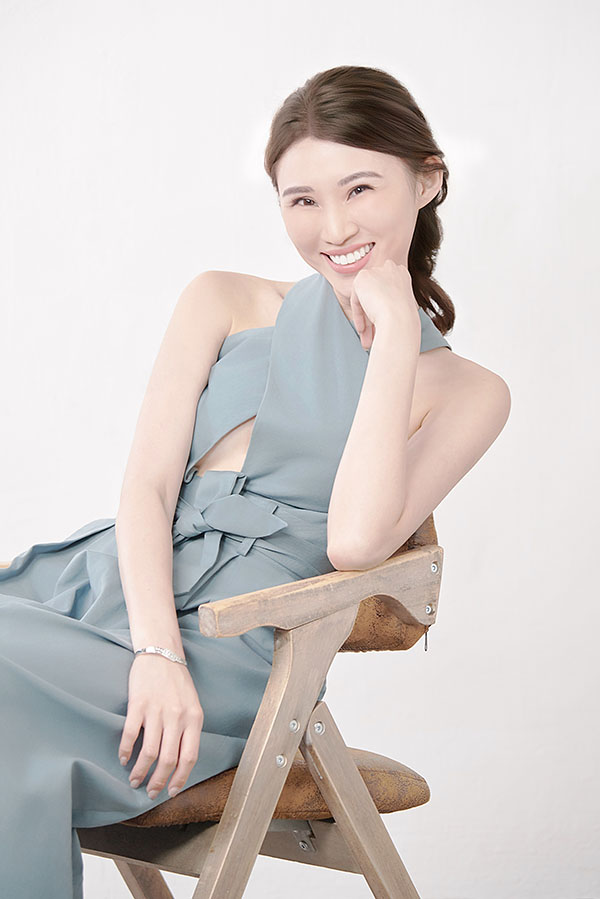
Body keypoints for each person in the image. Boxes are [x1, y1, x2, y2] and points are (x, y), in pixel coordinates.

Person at [0, 64, 511, 898]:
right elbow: (147, 488)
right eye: (301, 199)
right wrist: (154, 651)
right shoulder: (222, 298)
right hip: (110, 596)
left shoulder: (470, 392)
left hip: (231, 646)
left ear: (426, 181)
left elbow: (355, 541)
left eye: (360, 188)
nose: (333, 226)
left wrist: (391, 336)